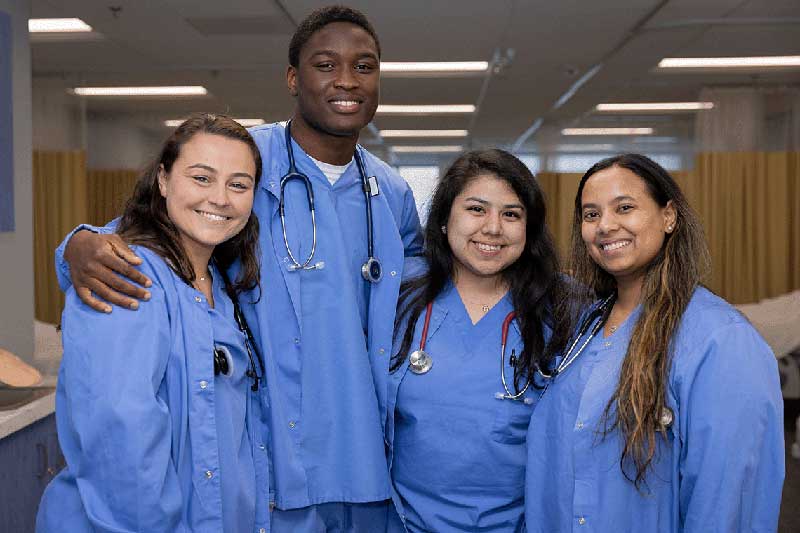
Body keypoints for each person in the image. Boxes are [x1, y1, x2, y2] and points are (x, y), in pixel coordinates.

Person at [53, 6, 422, 531]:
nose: (346, 80)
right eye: (325, 64)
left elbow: (426, 288)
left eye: (364, 66)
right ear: (293, 78)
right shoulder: (248, 159)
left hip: (368, 465)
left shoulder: (390, 192)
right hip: (270, 464)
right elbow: (143, 234)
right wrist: (77, 244)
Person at [524, 154, 784, 532]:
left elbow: (727, 500)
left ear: (669, 216)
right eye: (591, 214)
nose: (605, 226)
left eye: (624, 207)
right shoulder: (584, 327)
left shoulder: (721, 340)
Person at [36, 113, 270, 532]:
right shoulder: (125, 273)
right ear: (163, 180)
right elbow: (120, 440)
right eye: (201, 178)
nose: (220, 198)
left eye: (238, 184)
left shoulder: (222, 281)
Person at [386, 149, 577, 532]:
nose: (493, 228)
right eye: (476, 209)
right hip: (405, 522)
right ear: (443, 220)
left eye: (511, 214)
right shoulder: (396, 294)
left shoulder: (565, 308)